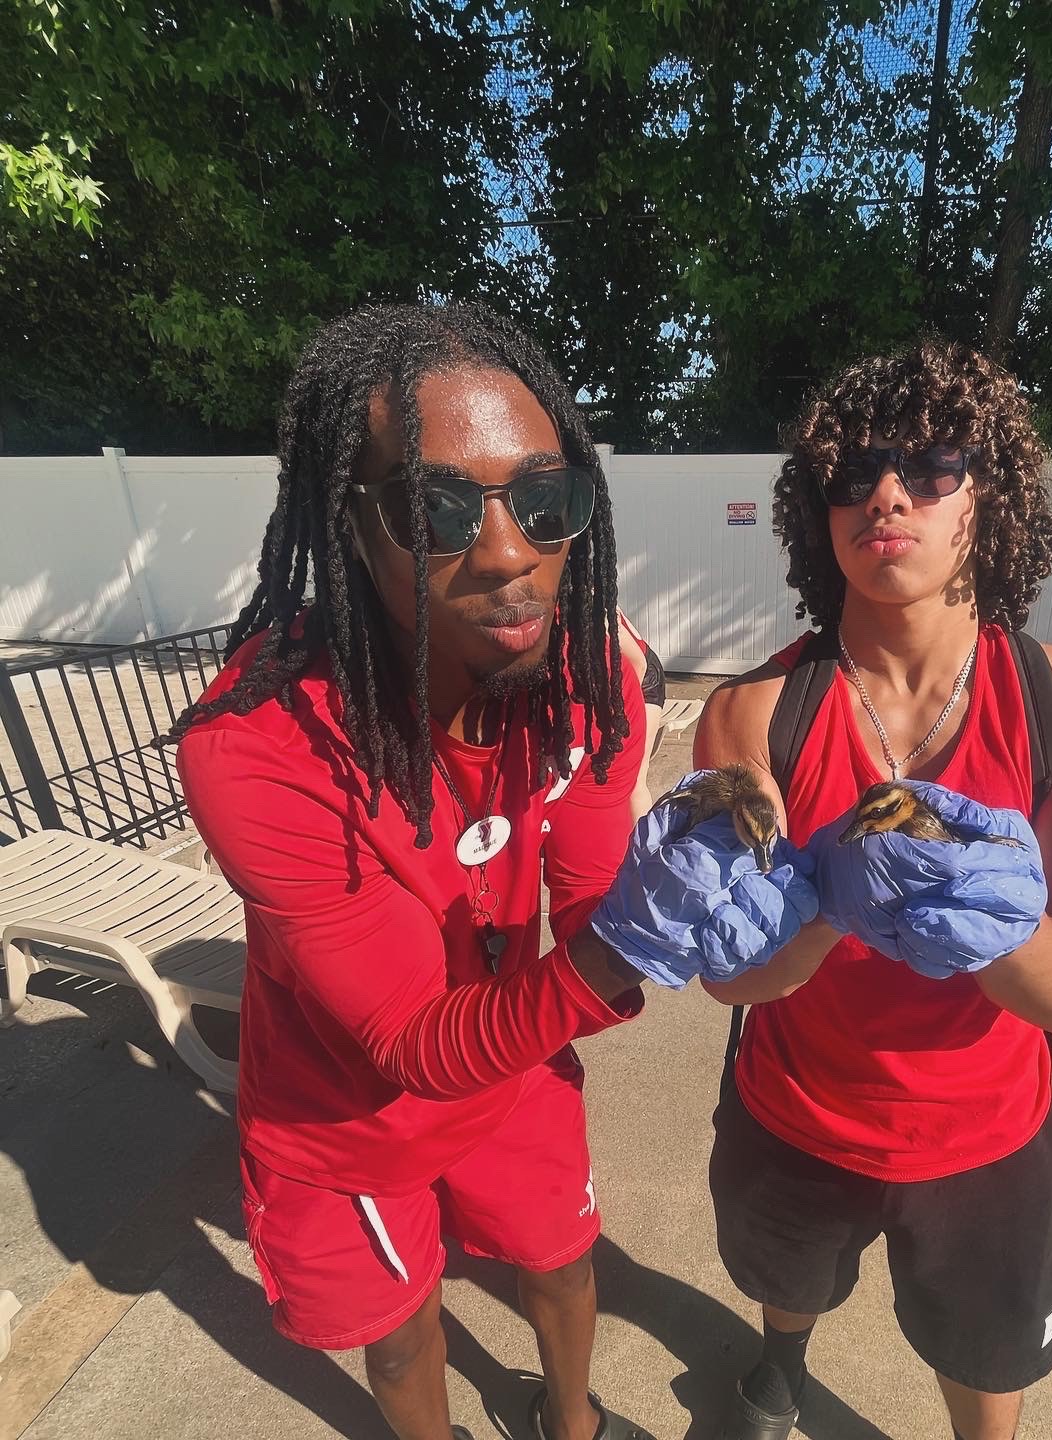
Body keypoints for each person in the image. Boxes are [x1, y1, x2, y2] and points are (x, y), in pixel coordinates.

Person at [171, 302, 815, 1440]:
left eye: (544, 498)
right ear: (351, 522)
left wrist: (726, 896)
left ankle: (574, 1423)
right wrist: (628, 946)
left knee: (565, 1267)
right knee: (404, 1329)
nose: (511, 549)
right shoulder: (257, 747)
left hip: (514, 1060)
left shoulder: (590, 682)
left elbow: (587, 912)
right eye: (438, 508)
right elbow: (414, 1045)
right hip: (348, 1115)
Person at [694, 340, 1052, 1440]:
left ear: (986, 500)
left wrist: (994, 925)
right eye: (849, 475)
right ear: (820, 514)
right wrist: (818, 911)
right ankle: (781, 1357)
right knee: (789, 1281)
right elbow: (728, 982)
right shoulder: (751, 715)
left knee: (988, 1368)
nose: (886, 493)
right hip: (795, 1112)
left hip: (987, 1137)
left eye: (932, 464)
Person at [615, 611, 667, 819]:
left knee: (635, 777)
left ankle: (644, 847)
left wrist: (621, 712)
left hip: (644, 681)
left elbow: (639, 664)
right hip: (620, 676)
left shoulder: (592, 605)